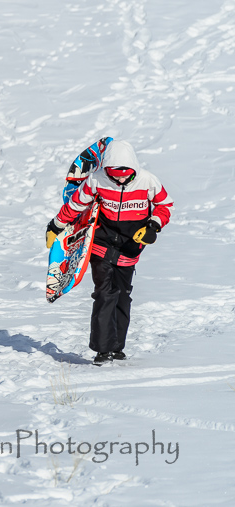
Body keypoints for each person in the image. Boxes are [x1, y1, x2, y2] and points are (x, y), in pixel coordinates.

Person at [46, 139, 173, 365]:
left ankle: (116, 347)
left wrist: (153, 226)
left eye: (125, 176)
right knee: (104, 293)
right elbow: (76, 204)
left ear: (134, 168)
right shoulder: (96, 179)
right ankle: (103, 350)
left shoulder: (147, 180)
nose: (120, 180)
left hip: (131, 245)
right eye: (114, 175)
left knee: (123, 295)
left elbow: (165, 206)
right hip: (101, 242)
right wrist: (56, 225)